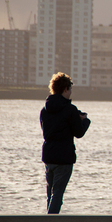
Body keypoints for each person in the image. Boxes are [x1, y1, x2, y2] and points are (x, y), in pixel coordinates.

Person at [40, 72, 91, 214]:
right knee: (58, 194)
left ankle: (49, 221)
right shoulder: (70, 109)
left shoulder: (45, 110)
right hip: (64, 158)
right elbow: (79, 133)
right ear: (65, 89)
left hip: (49, 156)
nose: (70, 93)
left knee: (50, 194)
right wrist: (85, 121)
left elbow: (48, 131)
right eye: (70, 90)